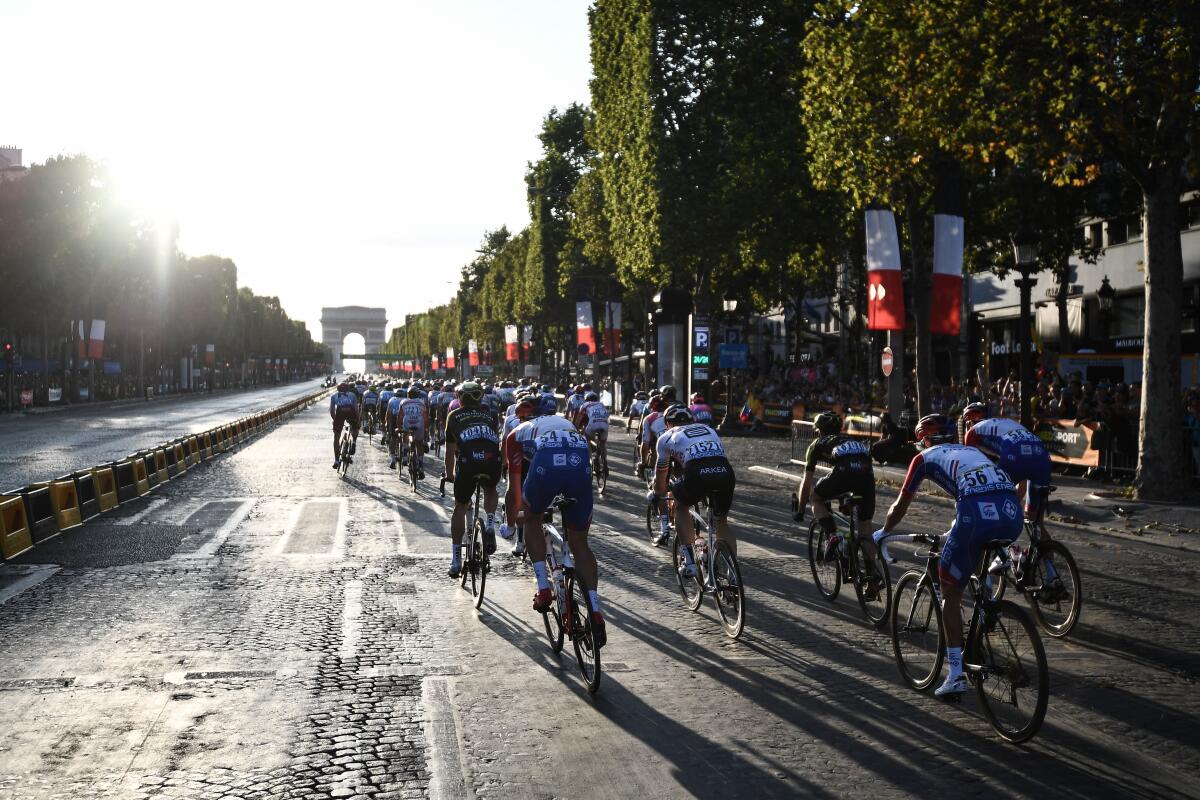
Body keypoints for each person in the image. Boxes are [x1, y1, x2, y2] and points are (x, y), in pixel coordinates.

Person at [873, 414, 1023, 698]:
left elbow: (900, 505)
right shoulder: (973, 452)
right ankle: (986, 607)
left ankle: (955, 674)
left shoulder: (924, 458)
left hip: (976, 514)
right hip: (1011, 512)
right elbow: (975, 492)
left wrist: (883, 532)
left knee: (950, 594)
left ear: (924, 440)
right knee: (975, 556)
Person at [506, 394, 606, 647]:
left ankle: (543, 587)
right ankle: (595, 609)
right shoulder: (566, 424)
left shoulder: (517, 432)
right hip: (579, 463)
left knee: (532, 519)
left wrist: (512, 519)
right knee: (581, 544)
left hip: (546, 466)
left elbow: (513, 487)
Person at [793, 412, 883, 594]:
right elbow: (856, 469)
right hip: (866, 477)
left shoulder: (817, 444)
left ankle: (832, 534)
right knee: (865, 528)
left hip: (844, 472)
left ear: (819, 431)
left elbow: (807, 481)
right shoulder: (851, 440)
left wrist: (801, 510)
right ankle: (872, 577)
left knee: (816, 497)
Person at [650, 405, 737, 578]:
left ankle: (690, 562)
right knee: (722, 522)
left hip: (696, 472)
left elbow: (661, 478)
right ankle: (733, 573)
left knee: (681, 506)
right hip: (724, 471)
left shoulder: (666, 437)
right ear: (692, 421)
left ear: (667, 423)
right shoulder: (709, 429)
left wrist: (658, 493)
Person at [444, 380, 501, 577]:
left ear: (460, 398)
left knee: (460, 506)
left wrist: (450, 474)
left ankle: (456, 560)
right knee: (491, 489)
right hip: (491, 460)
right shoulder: (490, 415)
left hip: (468, 464)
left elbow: (450, 452)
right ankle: (491, 524)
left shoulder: (453, 415)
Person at [574, 390, 610, 471]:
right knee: (603, 444)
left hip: (593, 424)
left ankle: (590, 462)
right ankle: (604, 463)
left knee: (587, 439)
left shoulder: (585, 405)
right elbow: (607, 415)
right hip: (604, 424)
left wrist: (576, 430)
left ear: (586, 399)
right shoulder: (601, 404)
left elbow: (578, 421)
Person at [329, 381, 360, 470]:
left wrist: (335, 421)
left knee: (336, 437)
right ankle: (354, 442)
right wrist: (357, 421)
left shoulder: (334, 396)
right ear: (348, 389)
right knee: (355, 428)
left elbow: (332, 411)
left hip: (340, 413)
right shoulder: (352, 395)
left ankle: (336, 460)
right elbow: (356, 410)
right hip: (351, 412)